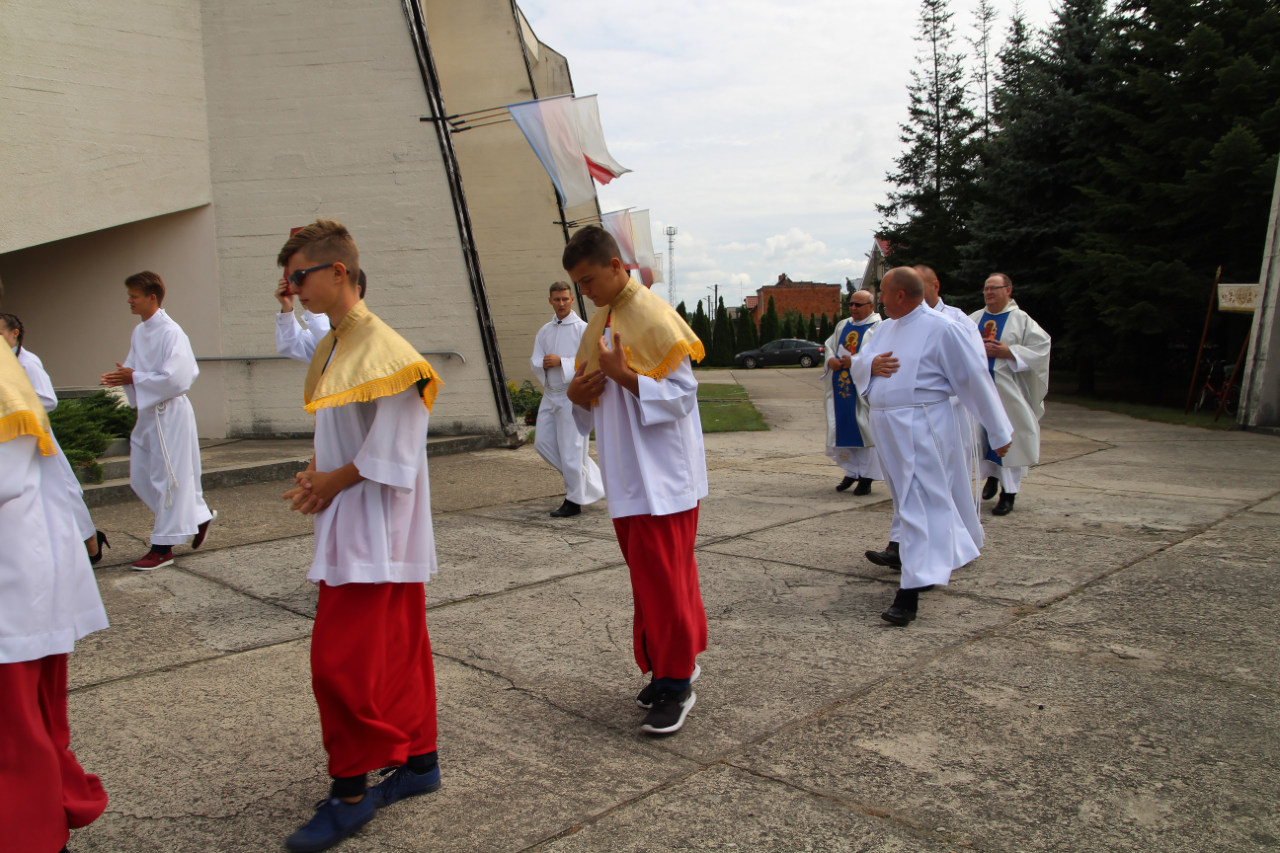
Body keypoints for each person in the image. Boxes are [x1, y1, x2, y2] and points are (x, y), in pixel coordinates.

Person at [277, 220, 443, 853]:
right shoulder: (337, 342)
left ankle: (350, 794)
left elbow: (396, 450)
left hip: (377, 533)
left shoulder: (386, 350)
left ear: (338, 271)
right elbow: (346, 433)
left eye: (300, 276)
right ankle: (420, 763)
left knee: (338, 666)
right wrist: (317, 475)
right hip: (360, 521)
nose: (292, 289)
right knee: (401, 651)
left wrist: (331, 481)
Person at [564, 225, 708, 737]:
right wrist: (578, 395)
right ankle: (669, 665)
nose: (585, 291)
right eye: (578, 284)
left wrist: (623, 375)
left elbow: (683, 397)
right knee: (651, 583)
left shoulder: (652, 315)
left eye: (589, 280)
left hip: (662, 478)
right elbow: (591, 402)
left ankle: (676, 683)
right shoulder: (599, 322)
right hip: (627, 476)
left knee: (666, 583)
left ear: (615, 266)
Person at [850, 267, 1013, 626]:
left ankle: (908, 594)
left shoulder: (943, 329)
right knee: (913, 500)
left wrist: (999, 432)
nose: (879, 300)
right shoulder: (885, 329)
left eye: (883, 294)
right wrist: (870, 364)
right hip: (887, 425)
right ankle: (941, 556)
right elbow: (860, 363)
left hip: (923, 424)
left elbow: (973, 379)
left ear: (901, 295)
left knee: (918, 502)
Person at [0, 343, 110, 853]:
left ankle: (37, 835)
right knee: (28, 725)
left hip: (14, 575)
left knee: (18, 732)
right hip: (24, 567)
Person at [101, 272, 215, 570]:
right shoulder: (140, 331)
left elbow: (178, 378)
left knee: (168, 477)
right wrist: (123, 377)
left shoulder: (171, 332)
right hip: (149, 413)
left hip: (169, 412)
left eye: (134, 296)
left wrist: (135, 377)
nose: (129, 301)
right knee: (141, 476)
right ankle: (197, 517)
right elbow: (133, 369)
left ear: (152, 297)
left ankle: (162, 547)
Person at [1, 313, 110, 565]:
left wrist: (15, 410)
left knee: (61, 490)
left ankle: (90, 541)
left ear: (14, 333)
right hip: (12, 440)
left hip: (35, 438)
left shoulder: (27, 363)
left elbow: (48, 400)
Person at [969, 273, 1051, 516]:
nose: (989, 293)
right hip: (978, 392)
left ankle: (1009, 493)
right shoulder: (974, 319)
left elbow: (1042, 348)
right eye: (986, 288)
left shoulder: (1021, 320)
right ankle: (991, 478)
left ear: (1008, 290)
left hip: (1007, 392)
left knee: (1010, 440)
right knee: (979, 438)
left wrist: (1010, 352)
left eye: (994, 288)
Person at [531, 281, 605, 517]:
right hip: (550, 394)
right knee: (542, 443)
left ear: (572, 299)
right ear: (550, 301)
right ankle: (588, 480)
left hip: (571, 394)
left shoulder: (583, 329)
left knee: (572, 449)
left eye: (565, 299)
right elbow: (535, 359)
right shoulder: (545, 331)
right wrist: (543, 363)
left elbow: (590, 360)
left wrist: (561, 362)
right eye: (557, 299)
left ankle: (573, 501)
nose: (561, 303)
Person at [822, 290, 883, 495]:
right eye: (851, 304)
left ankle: (867, 476)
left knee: (865, 432)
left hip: (864, 390)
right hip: (841, 388)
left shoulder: (879, 328)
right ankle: (852, 471)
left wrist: (854, 362)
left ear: (871, 306)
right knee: (845, 429)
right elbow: (830, 346)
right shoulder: (843, 325)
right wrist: (830, 359)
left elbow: (881, 356)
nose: (853, 308)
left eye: (858, 305)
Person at [276, 269, 367, 363]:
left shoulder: (368, 331)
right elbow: (291, 346)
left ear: (355, 291)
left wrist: (312, 309)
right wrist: (287, 306)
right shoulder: (326, 331)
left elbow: (336, 344)